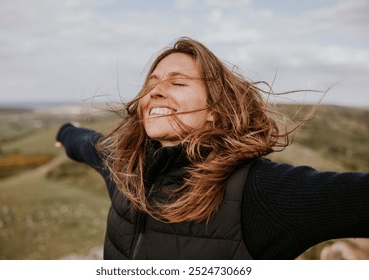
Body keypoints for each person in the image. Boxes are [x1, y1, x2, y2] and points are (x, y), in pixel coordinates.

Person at [56, 37, 369, 260]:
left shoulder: (256, 190)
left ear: (215, 110)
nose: (156, 92)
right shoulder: (124, 164)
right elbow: (86, 144)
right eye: (151, 84)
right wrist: (65, 132)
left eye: (178, 83)